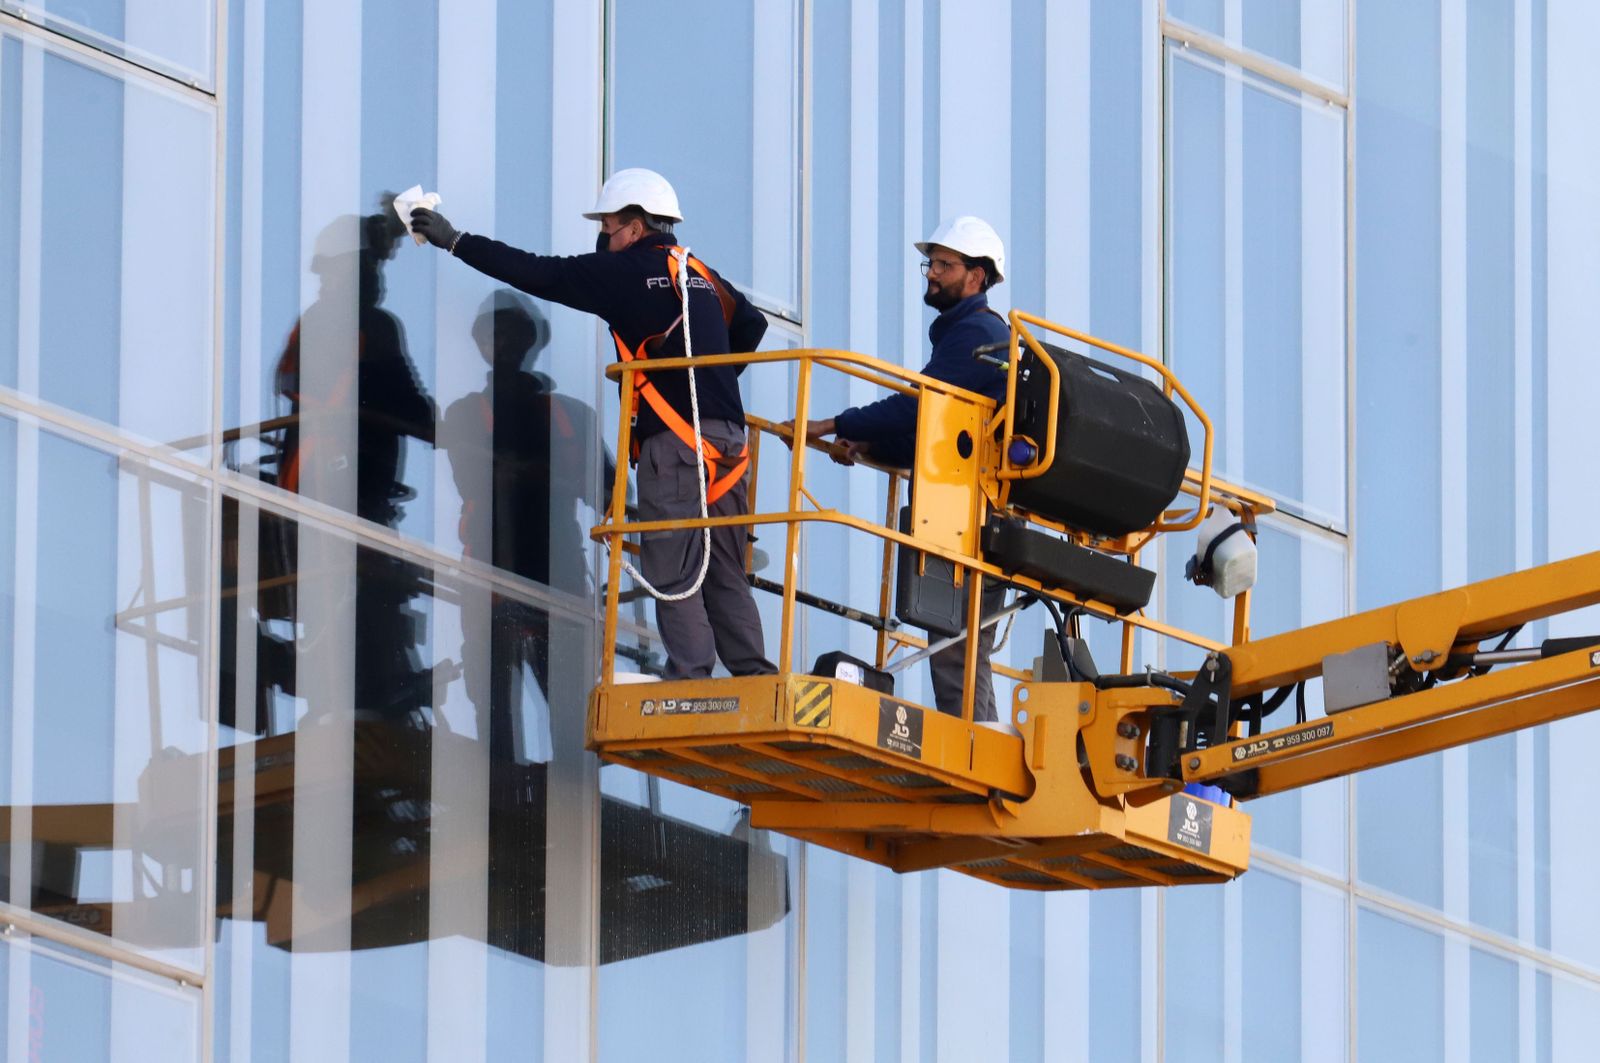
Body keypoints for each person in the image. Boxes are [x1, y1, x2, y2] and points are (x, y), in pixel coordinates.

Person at [411, 169, 775, 681]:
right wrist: (712, 377)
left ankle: (689, 681)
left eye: (607, 225)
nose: (603, 237)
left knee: (672, 571)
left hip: (675, 447)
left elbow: (540, 273)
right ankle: (756, 677)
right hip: (729, 444)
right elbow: (752, 323)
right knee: (724, 572)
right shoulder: (699, 273)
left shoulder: (623, 271)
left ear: (633, 226)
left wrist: (456, 242)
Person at [787, 216, 1011, 720]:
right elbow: (931, 432)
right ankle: (977, 733)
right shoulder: (971, 335)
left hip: (973, 513)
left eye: (943, 264)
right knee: (958, 638)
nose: (931, 273)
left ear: (976, 278)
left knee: (957, 639)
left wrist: (831, 422)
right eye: (929, 262)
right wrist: (862, 442)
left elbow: (918, 409)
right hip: (970, 506)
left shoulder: (979, 334)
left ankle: (974, 739)